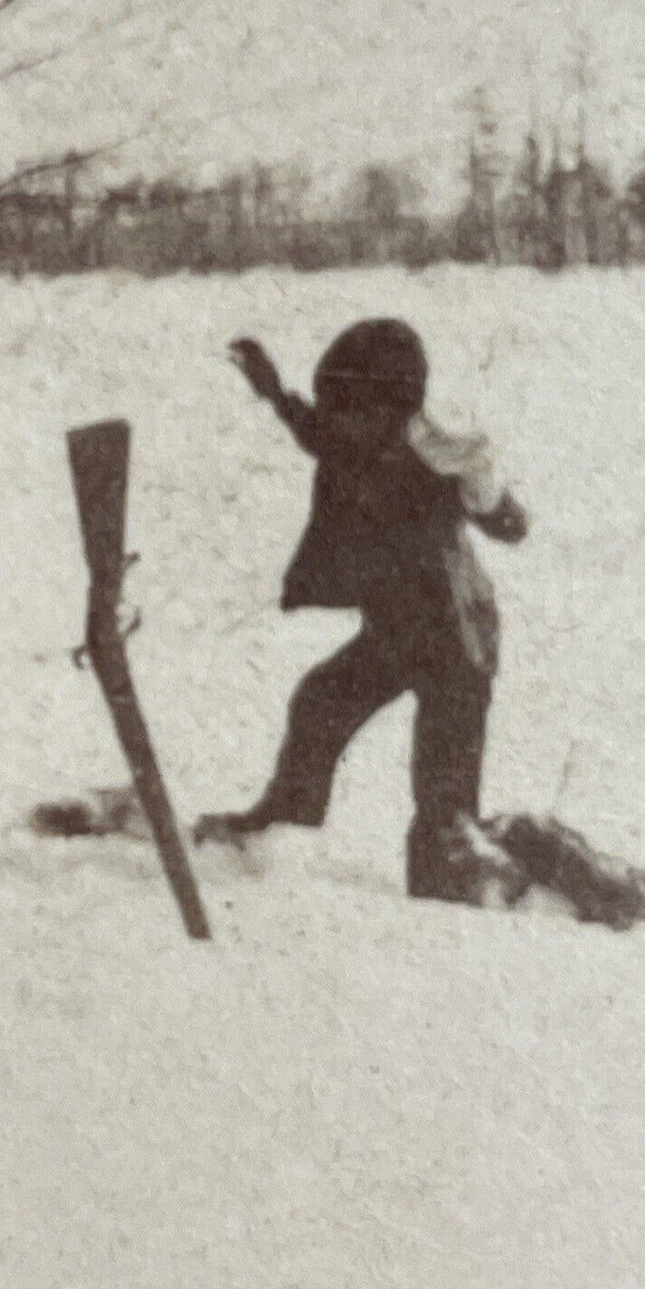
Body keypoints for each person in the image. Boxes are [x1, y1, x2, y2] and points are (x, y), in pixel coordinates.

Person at [194, 318, 530, 905]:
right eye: (336, 407)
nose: (338, 420)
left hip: (457, 638)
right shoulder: (357, 437)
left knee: (444, 774)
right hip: (398, 630)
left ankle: (453, 867)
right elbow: (316, 432)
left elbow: (511, 527)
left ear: (388, 406)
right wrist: (274, 394)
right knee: (322, 700)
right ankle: (285, 823)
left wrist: (484, 489)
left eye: (350, 407)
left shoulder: (433, 454)